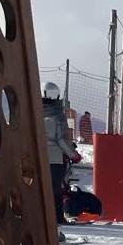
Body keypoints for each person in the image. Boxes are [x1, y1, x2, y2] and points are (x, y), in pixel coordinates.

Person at [41, 83, 78, 226]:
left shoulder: (34, 111)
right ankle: (57, 217)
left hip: (39, 158)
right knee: (56, 190)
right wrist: (73, 155)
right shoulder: (57, 115)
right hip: (55, 159)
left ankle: (41, 217)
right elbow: (61, 139)